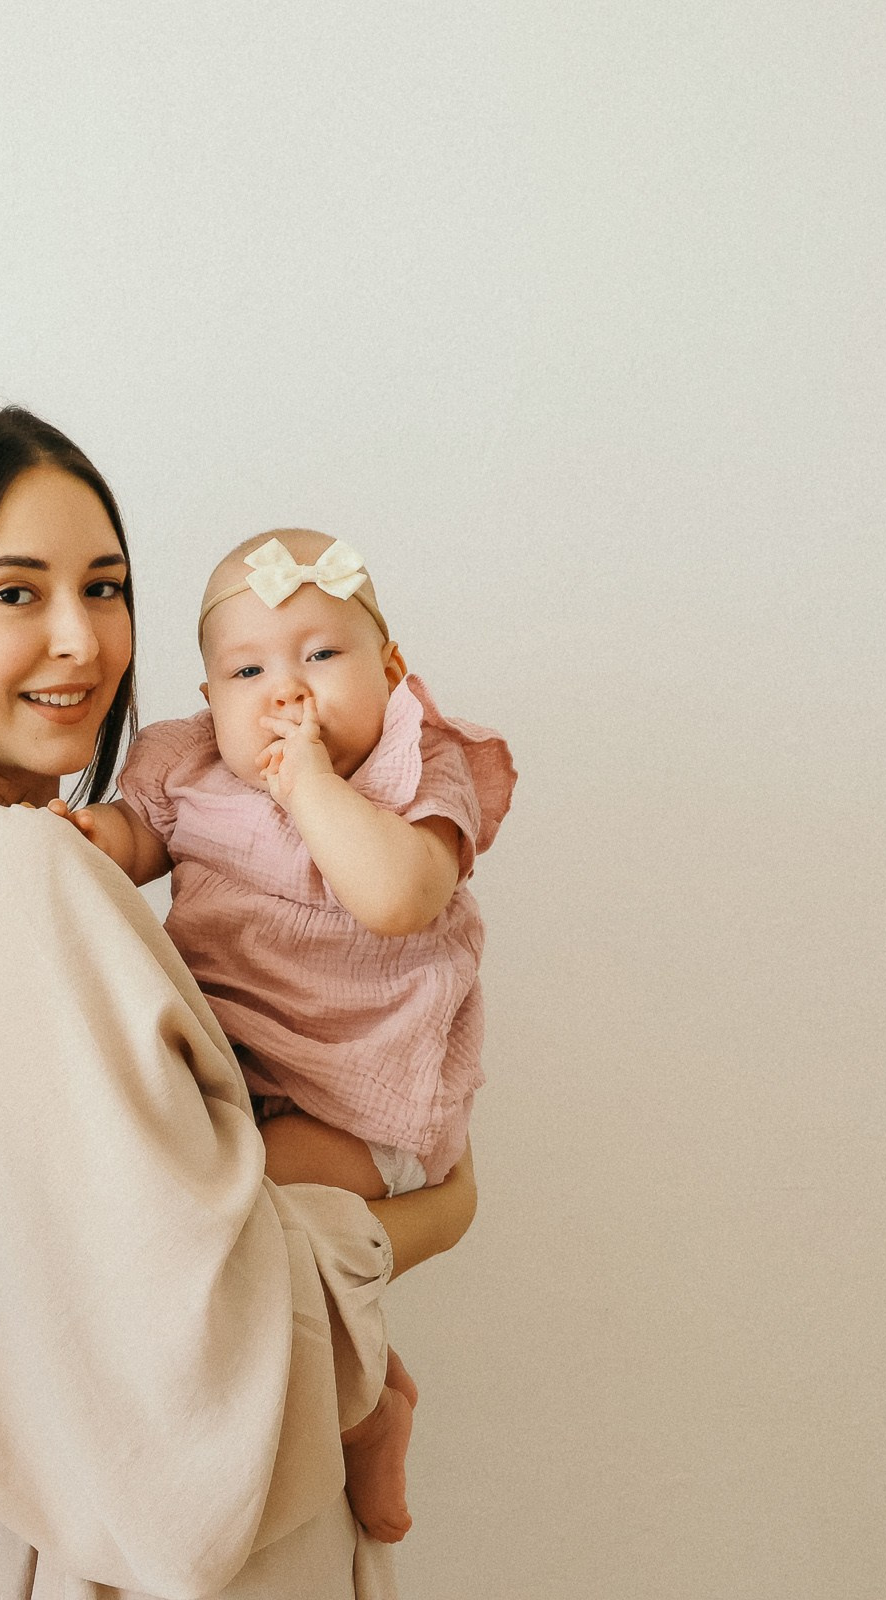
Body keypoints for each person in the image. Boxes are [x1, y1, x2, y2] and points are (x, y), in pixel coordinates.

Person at [0, 401, 479, 1600]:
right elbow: (187, 1340)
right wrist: (427, 1216)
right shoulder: (7, 871)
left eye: (106, 586)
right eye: (15, 594)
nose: (81, 639)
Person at [59, 529, 517, 1542]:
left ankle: (363, 1413)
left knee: (249, 1234)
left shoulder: (415, 772)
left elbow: (400, 898)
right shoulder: (185, 767)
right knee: (226, 1228)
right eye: (250, 669)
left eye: (321, 656)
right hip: (235, 1070)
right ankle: (363, 1390)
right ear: (209, 696)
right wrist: (99, 844)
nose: (287, 691)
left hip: (362, 1095)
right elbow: (144, 839)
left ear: (392, 672)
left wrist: (309, 784)